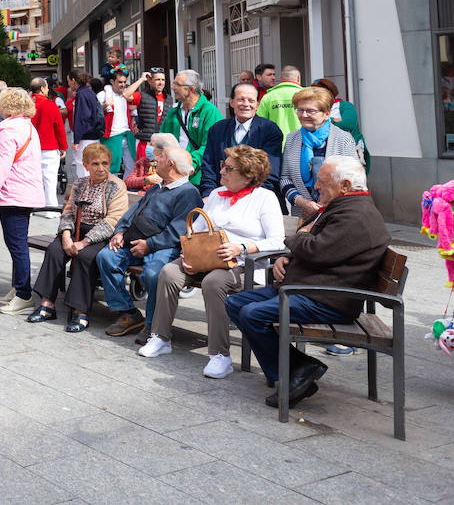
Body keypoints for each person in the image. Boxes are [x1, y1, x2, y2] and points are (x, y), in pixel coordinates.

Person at [226, 156, 390, 408]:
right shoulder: (345, 206)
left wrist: (297, 237)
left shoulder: (356, 215)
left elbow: (314, 248)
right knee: (236, 303)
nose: (315, 186)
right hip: (309, 287)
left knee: (252, 314)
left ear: (345, 185)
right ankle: (300, 369)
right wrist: (286, 258)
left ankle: (292, 374)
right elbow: (321, 249)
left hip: (327, 299)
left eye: (322, 182)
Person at [140, 145, 286, 376]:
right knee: (169, 272)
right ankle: (160, 337)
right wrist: (187, 252)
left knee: (213, 283)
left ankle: (220, 355)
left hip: (242, 264)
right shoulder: (218, 194)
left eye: (229, 168)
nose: (222, 171)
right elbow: (197, 228)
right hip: (205, 258)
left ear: (248, 175)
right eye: (222, 166)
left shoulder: (265, 198)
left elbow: (278, 241)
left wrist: (242, 247)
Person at [96, 144, 199, 339]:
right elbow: (133, 213)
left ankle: (152, 325)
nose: (154, 161)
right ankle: (128, 312)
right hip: (136, 240)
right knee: (106, 257)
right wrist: (120, 231)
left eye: (159, 159)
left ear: (170, 165)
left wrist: (149, 245)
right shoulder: (158, 187)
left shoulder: (188, 193)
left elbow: (177, 232)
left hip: (164, 248)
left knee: (153, 274)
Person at [26, 143, 129, 332]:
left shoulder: (116, 186)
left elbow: (113, 221)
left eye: (105, 163)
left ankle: (80, 311)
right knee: (55, 250)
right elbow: (67, 213)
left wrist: (84, 242)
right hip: (76, 229)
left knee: (86, 256)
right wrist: (66, 235)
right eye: (95, 164)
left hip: (102, 235)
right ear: (85, 164)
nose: (101, 168)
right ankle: (47, 304)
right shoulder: (80, 183)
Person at [0, 88, 43, 315]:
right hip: (24, 192)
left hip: (13, 193)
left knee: (16, 245)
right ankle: (18, 288)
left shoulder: (6, 130)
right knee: (17, 243)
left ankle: (24, 294)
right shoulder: (27, 126)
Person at [280, 85, 362, 219]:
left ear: (327, 114)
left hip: (336, 214)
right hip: (302, 213)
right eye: (300, 110)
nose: (304, 115)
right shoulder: (291, 139)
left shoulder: (343, 139)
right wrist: (302, 202)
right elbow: (284, 178)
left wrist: (323, 206)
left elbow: (353, 181)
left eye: (310, 111)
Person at [198, 82, 284, 195]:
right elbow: (208, 167)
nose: (246, 104)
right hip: (220, 196)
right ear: (231, 102)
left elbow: (270, 173)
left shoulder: (269, 130)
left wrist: (245, 198)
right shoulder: (217, 129)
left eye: (251, 100)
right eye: (241, 99)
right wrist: (209, 194)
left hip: (256, 197)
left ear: (258, 105)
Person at [160, 69, 224, 186]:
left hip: (198, 177)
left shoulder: (209, 112)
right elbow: (163, 141)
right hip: (173, 176)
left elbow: (209, 145)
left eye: (177, 85)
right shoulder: (173, 112)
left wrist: (189, 164)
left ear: (192, 89)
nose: (173, 88)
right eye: (173, 84)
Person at [314, 77, 369, 171]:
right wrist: (334, 120)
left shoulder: (344, 105)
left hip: (349, 151)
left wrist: (326, 121)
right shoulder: (314, 108)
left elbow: (348, 124)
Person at [30, 77, 67, 208]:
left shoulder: (27, 104)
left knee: (34, 180)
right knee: (50, 180)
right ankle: (50, 209)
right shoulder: (50, 104)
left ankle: (35, 207)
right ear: (42, 88)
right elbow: (59, 127)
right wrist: (63, 147)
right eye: (46, 87)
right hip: (49, 147)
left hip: (29, 149)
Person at [99, 70, 135, 178]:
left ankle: (125, 190)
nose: (123, 85)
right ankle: (110, 192)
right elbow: (95, 113)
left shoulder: (126, 95)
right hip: (112, 135)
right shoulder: (102, 95)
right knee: (112, 167)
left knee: (132, 166)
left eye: (124, 82)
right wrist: (105, 105)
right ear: (112, 81)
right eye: (120, 82)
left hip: (127, 134)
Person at [127, 67, 167, 161]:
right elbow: (126, 94)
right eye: (157, 79)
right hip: (145, 142)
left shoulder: (168, 98)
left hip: (161, 144)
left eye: (163, 80)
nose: (161, 82)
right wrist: (141, 79)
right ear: (150, 81)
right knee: (143, 173)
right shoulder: (142, 95)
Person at [69, 69, 101, 179]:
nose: (69, 84)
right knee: (92, 165)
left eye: (69, 81)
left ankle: (85, 193)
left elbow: (81, 117)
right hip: (94, 134)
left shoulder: (81, 94)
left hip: (85, 137)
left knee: (83, 166)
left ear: (73, 81)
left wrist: (76, 140)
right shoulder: (90, 92)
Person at [257, 65, 303, 137]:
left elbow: (259, 123)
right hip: (301, 144)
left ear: (280, 79)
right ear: (298, 78)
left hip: (276, 144)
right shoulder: (307, 95)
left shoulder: (268, 97)